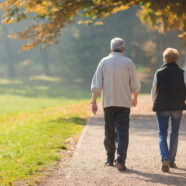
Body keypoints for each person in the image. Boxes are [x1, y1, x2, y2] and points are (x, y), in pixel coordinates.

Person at [91, 37, 141, 171]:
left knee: (109, 132)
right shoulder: (128, 62)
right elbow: (135, 85)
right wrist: (135, 98)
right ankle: (121, 160)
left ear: (111, 49)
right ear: (123, 49)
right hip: (124, 103)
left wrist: (94, 101)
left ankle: (109, 159)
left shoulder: (104, 62)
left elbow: (97, 85)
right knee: (123, 132)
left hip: (108, 102)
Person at [151, 48, 186, 172]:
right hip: (177, 105)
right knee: (174, 133)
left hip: (162, 106)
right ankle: (171, 160)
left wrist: (154, 100)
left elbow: (154, 91)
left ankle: (165, 157)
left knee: (162, 133)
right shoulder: (182, 72)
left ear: (165, 59)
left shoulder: (159, 72)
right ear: (176, 59)